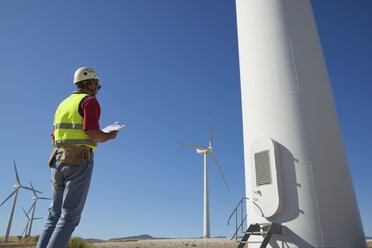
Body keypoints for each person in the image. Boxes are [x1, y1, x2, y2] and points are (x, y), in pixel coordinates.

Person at [37, 67, 118, 248]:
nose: (98, 89)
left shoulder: (63, 105)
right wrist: (109, 136)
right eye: (97, 85)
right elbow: (93, 134)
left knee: (54, 215)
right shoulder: (89, 102)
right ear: (90, 83)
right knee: (69, 217)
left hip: (57, 159)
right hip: (78, 160)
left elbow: (54, 137)